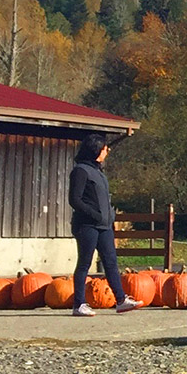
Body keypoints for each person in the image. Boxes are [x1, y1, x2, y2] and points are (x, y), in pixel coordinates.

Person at [66, 135, 144, 317]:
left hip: (104, 226)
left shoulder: (99, 172)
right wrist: (94, 214)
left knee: (111, 262)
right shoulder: (80, 171)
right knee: (84, 263)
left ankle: (121, 300)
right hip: (87, 225)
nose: (107, 151)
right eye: (104, 148)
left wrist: (109, 216)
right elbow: (74, 199)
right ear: (96, 151)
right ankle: (79, 304)